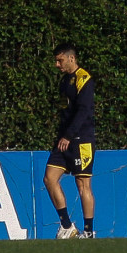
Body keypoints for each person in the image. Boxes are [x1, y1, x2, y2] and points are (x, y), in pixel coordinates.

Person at [44, 42, 96, 239]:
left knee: (83, 185)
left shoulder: (84, 79)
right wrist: (61, 136)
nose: (57, 64)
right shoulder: (65, 81)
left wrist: (69, 135)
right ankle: (66, 225)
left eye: (60, 60)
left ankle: (89, 232)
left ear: (71, 58)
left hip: (81, 140)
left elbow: (84, 111)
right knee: (49, 178)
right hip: (63, 140)